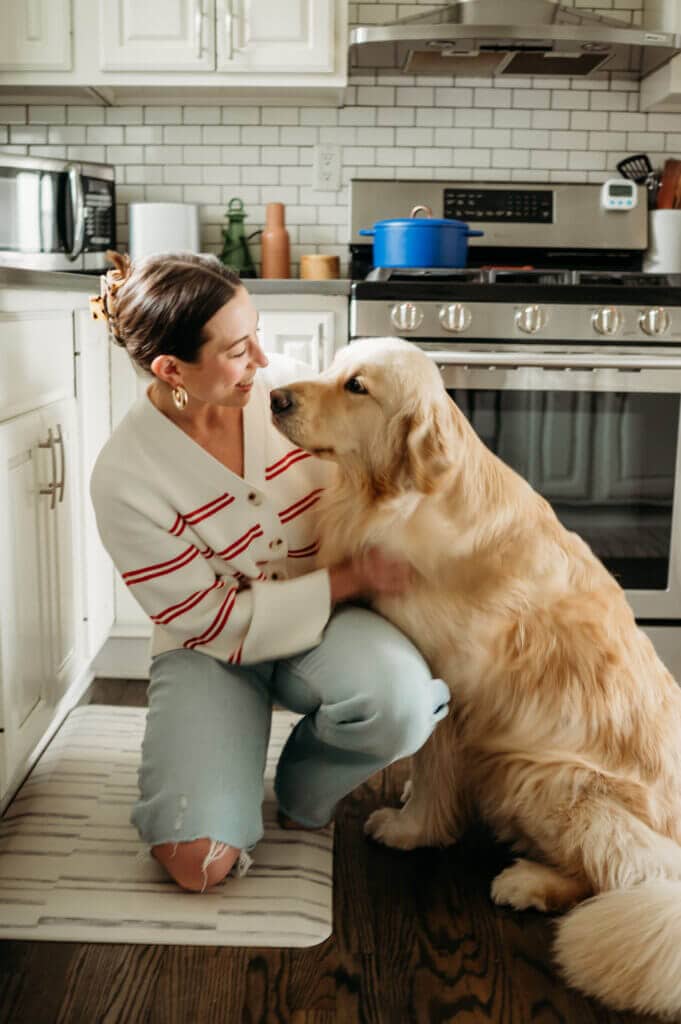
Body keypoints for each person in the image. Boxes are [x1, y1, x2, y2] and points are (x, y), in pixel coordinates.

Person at [89, 251, 450, 893]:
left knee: (401, 707)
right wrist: (349, 579)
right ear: (173, 370)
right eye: (236, 349)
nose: (262, 358)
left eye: (257, 331)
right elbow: (211, 623)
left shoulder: (283, 390)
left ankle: (304, 780)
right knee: (197, 865)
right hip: (213, 650)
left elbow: (383, 462)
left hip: (329, 629)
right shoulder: (125, 478)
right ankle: (223, 749)